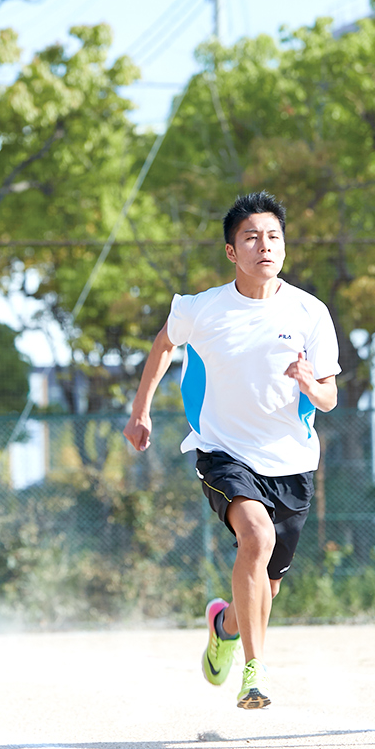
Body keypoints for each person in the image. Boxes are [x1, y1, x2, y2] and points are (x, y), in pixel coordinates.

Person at [123, 191, 340, 709]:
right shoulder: (203, 309)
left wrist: (311, 384)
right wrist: (141, 410)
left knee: (266, 587)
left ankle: (223, 625)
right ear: (231, 251)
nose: (264, 246)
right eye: (251, 237)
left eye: (273, 237)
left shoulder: (311, 312)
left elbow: (330, 399)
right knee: (256, 535)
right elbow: (163, 345)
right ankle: (255, 671)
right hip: (222, 451)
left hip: (291, 461)